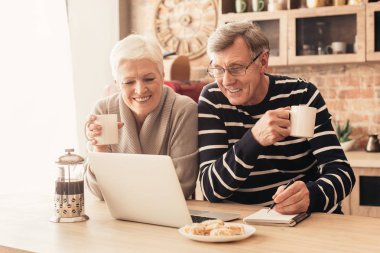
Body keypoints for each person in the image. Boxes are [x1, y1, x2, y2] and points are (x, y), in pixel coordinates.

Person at [198, 21, 355, 214]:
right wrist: (254, 139)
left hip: (307, 218)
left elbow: (342, 172)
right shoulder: (213, 99)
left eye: (236, 68)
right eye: (218, 70)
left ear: (263, 62)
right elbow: (210, 189)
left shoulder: (302, 94)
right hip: (245, 225)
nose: (227, 80)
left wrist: (311, 196)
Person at [85, 34, 198, 200]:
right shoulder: (104, 110)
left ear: (162, 75)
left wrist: (117, 185)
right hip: (118, 217)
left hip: (166, 217)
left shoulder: (183, 110)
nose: (140, 89)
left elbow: (181, 186)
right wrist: (99, 150)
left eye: (149, 79)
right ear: (116, 83)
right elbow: (98, 192)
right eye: (129, 82)